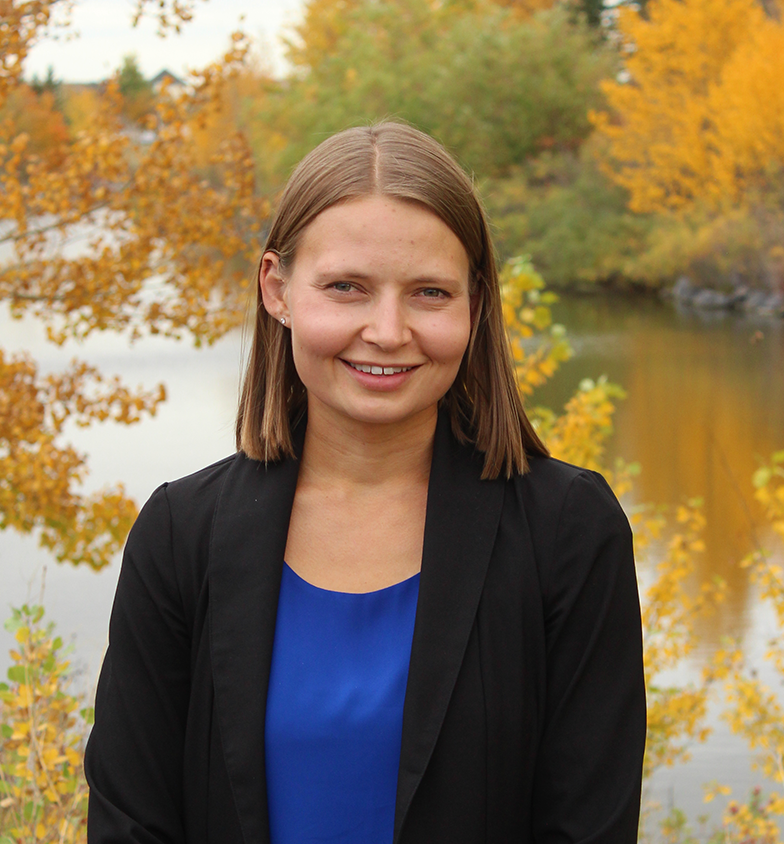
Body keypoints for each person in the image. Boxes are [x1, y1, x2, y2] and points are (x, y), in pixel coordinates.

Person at [85, 122, 646, 844]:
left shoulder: (569, 533)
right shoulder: (180, 533)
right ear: (276, 289)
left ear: (475, 305)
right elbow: (131, 822)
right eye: (347, 287)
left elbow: (588, 828)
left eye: (429, 293)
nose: (387, 330)